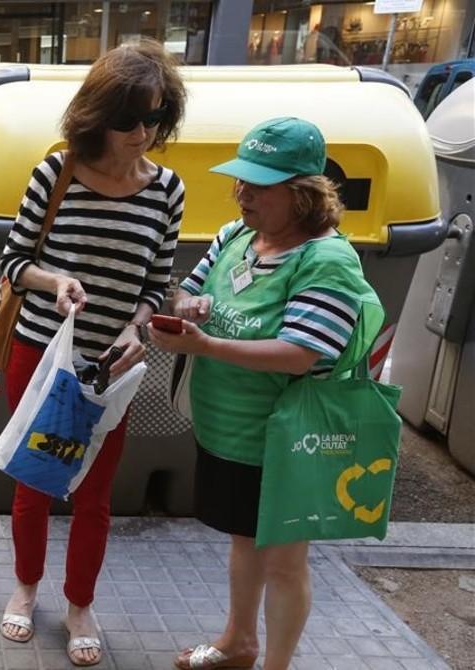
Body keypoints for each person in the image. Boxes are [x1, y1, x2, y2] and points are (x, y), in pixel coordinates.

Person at [150, 117, 376, 670]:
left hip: (285, 439)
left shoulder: (327, 260)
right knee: (243, 541)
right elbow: (191, 290)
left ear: (302, 195)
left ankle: (274, 664)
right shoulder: (237, 237)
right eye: (240, 181)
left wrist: (206, 348)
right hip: (228, 431)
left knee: (283, 562)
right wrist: (187, 309)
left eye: (259, 184)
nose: (242, 193)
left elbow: (302, 352)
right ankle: (237, 642)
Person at [0, 39, 186, 667]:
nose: (141, 132)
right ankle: (26, 589)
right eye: (128, 118)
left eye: (155, 118)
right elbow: (15, 262)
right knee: (35, 482)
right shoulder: (57, 172)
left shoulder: (167, 191)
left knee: (96, 496)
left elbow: (159, 281)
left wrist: (139, 326)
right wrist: (56, 282)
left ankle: (80, 603)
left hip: (114, 369)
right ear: (96, 114)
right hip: (41, 356)